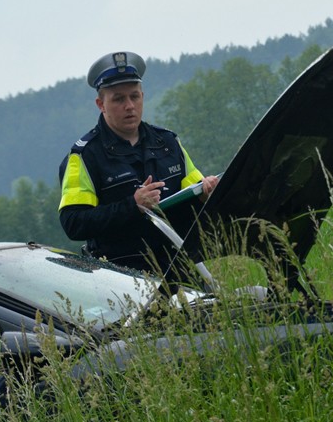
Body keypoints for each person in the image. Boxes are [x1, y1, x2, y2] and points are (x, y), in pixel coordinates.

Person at [57, 51, 219, 279]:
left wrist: (206, 193)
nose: (129, 106)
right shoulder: (84, 156)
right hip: (122, 280)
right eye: (119, 99)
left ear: (143, 96)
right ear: (100, 104)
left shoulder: (169, 143)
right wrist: (132, 206)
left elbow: (193, 193)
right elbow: (73, 223)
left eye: (135, 96)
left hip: (180, 270)